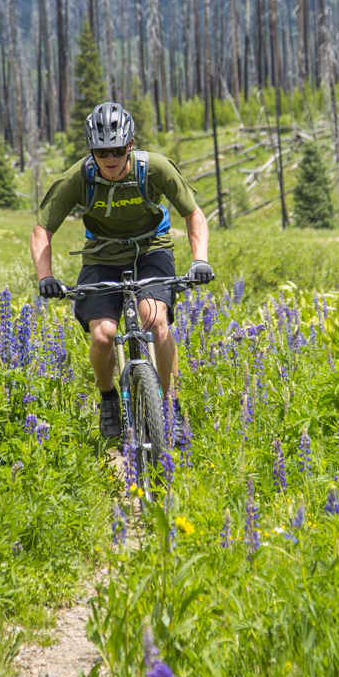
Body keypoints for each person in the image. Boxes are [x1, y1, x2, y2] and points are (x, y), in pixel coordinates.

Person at [30, 102, 213, 438]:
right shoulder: (79, 177)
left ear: (130, 145)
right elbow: (42, 230)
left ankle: (170, 407)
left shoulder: (154, 168)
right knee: (102, 337)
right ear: (92, 151)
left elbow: (194, 214)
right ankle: (109, 397)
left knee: (156, 322)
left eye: (117, 150)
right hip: (101, 257)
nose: (109, 159)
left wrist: (199, 259)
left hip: (151, 250)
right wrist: (46, 277)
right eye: (101, 152)